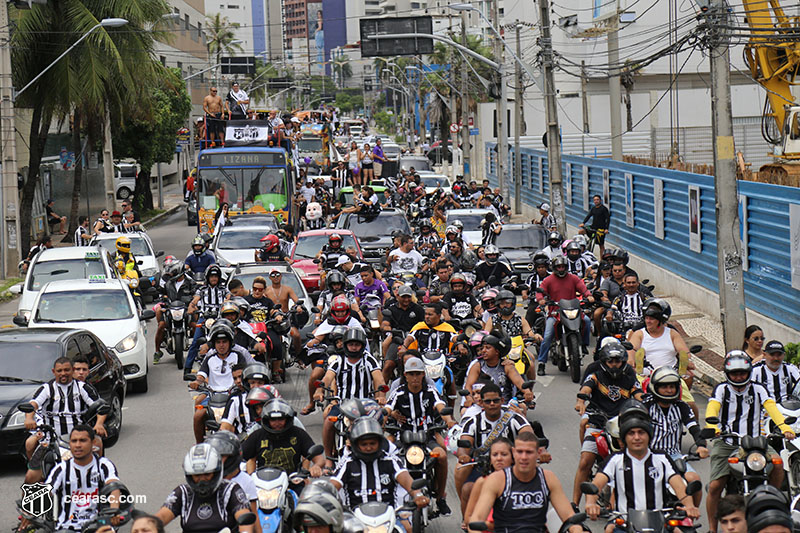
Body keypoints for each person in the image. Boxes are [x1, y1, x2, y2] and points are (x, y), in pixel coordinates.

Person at [705, 350, 795, 533]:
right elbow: (712, 408)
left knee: (778, 464)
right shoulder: (722, 389)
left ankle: (771, 497)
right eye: (734, 373)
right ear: (728, 374)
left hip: (756, 443)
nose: (739, 377)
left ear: (748, 372)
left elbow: (771, 408)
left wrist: (785, 427)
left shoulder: (759, 389)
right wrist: (712, 427)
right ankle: (713, 529)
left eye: (742, 373)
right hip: (727, 443)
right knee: (715, 486)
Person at [584, 411, 700, 532]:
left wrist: (690, 506)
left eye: (641, 432)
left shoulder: (662, 458)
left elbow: (679, 486)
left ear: (649, 435)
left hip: (660, 521)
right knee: (609, 529)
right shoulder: (615, 459)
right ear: (624, 438)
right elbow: (596, 484)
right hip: (624, 522)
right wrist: (591, 504)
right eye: (631, 433)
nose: (637, 437)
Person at [468, 432, 583, 533]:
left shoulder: (548, 478)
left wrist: (576, 529)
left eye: (529, 452)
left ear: (538, 453)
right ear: (513, 452)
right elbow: (476, 518)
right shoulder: (497, 480)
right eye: (520, 452)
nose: (523, 457)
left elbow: (568, 516)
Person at [572, 343, 643, 506]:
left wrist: (645, 404)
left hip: (622, 425)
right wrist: (580, 402)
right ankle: (574, 504)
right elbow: (585, 389)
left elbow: (638, 393)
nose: (614, 365)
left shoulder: (629, 375)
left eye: (618, 361)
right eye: (611, 361)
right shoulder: (595, 374)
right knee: (585, 461)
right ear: (604, 362)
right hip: (598, 422)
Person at [385, 356, 456, 515]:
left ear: (424, 374)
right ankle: (388, 496)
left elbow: (440, 406)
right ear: (405, 375)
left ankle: (440, 498)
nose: (415, 378)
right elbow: (387, 408)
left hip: (427, 436)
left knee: (442, 456)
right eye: (411, 374)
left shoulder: (430, 391)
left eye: (418, 374)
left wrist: (449, 420)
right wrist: (380, 418)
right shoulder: (398, 392)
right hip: (402, 437)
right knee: (386, 456)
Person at [331, 417, 429, 528]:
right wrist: (324, 498)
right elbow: (333, 485)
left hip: (389, 518)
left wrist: (417, 494)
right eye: (364, 444)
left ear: (380, 443)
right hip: (355, 520)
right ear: (356, 444)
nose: (369, 448)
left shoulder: (391, 460)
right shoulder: (347, 463)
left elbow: (406, 479)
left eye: (372, 443)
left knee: (407, 527)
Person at [457, 383, 534, 519]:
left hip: (512, 466)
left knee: (533, 485)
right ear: (481, 402)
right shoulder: (473, 422)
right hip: (482, 467)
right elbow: (465, 442)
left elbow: (528, 435)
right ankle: (467, 522)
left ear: (502, 401)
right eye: (488, 401)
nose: (492, 404)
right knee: (467, 488)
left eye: (496, 400)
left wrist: (537, 450)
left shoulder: (514, 418)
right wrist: (463, 455)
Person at [313, 328, 386, 461]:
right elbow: (328, 377)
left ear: (362, 345)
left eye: (357, 344)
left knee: (381, 421)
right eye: (351, 344)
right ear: (345, 345)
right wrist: (319, 390)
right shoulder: (339, 361)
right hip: (343, 405)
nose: (353, 348)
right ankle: (329, 458)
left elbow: (379, 379)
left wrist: (381, 395)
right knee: (329, 423)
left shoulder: (369, 360)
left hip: (366, 405)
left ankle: (381, 453)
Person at [24, 357, 107, 471]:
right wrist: (29, 419)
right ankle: (38, 474)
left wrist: (99, 424)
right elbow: (33, 404)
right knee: (29, 443)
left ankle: (97, 472)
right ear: (54, 372)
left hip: (79, 433)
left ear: (72, 370)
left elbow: (99, 406)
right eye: (59, 371)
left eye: (67, 370)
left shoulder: (82, 387)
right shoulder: (47, 389)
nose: (63, 373)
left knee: (97, 442)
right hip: (50, 436)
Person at [644, 366, 708, 507]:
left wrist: (701, 446)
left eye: (672, 386)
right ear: (655, 387)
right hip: (648, 455)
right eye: (665, 387)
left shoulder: (682, 407)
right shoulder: (645, 406)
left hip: (674, 456)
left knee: (694, 480)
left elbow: (694, 428)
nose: (669, 390)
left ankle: (691, 516)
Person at [155, 443, 254, 532]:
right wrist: (146, 526)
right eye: (197, 475)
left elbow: (244, 517)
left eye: (207, 474)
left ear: (216, 472)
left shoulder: (231, 490)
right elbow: (162, 517)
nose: (202, 480)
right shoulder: (183, 492)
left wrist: (245, 531)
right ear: (190, 476)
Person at [626, 297, 698, 416]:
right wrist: (630, 360)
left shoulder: (672, 333)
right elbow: (632, 349)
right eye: (646, 318)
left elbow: (683, 351)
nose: (648, 321)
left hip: (671, 375)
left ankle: (696, 429)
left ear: (660, 320)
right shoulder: (639, 334)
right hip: (645, 375)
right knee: (636, 403)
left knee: (690, 405)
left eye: (652, 319)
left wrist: (688, 361)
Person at [44, 424, 121, 531]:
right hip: (67, 527)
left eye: (83, 440)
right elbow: (46, 491)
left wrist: (114, 511)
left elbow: (114, 487)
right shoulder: (61, 468)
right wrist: (30, 511)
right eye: (74, 441)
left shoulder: (103, 465)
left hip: (98, 525)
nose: (78, 445)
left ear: (93, 443)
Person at [535, 255, 593, 376]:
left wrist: (589, 295)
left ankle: (583, 345)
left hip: (572, 310)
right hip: (555, 313)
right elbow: (540, 291)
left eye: (563, 267)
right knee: (547, 336)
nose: (561, 269)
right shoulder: (548, 280)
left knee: (587, 321)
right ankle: (541, 363)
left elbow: (583, 288)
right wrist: (540, 299)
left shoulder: (573, 278)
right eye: (558, 267)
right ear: (554, 267)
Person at [242, 398, 325, 475]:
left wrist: (316, 467)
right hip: (263, 485)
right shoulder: (257, 436)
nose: (277, 423)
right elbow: (241, 456)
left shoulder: (298, 433)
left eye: (281, 419)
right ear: (267, 420)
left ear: (287, 419)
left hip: (293, 481)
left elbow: (319, 458)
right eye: (273, 420)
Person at [185, 265, 229, 377]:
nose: (214, 279)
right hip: (204, 318)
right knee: (195, 342)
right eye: (212, 276)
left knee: (226, 339)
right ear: (207, 277)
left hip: (220, 319)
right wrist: (192, 306)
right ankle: (188, 368)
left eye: (216, 276)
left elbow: (229, 297)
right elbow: (195, 299)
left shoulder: (224, 289)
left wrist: (226, 302)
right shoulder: (202, 290)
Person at [154, 262, 197, 363]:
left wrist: (192, 304)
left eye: (173, 273)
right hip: (171, 310)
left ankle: (197, 349)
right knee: (161, 325)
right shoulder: (168, 284)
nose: (171, 275)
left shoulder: (190, 283)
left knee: (195, 325)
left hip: (186, 310)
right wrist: (164, 303)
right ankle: (157, 351)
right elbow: (162, 295)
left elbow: (196, 294)